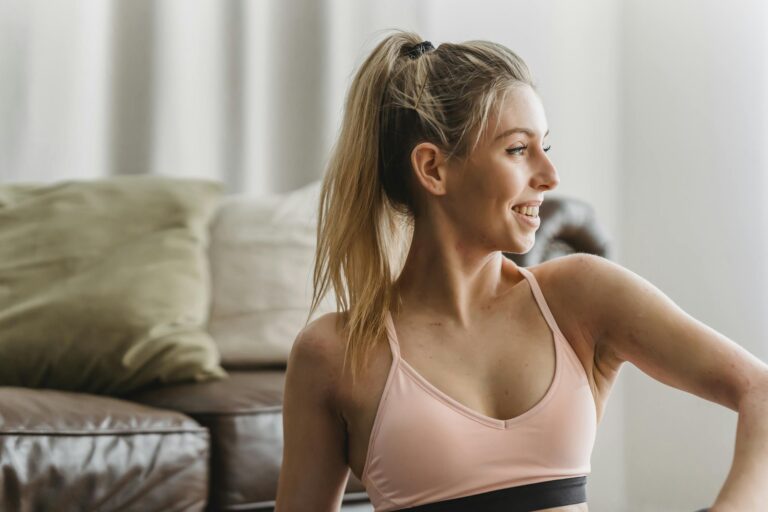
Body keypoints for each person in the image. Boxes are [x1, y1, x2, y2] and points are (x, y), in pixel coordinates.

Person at [274, 29, 768, 512]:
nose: (550, 177)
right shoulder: (335, 354)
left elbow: (759, 389)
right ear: (433, 169)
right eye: (517, 149)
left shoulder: (580, 297)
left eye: (545, 147)